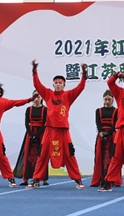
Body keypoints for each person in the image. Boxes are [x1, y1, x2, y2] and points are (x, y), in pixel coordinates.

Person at [29, 60, 88, 189]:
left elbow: (80, 88)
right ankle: (36, 180)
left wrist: (84, 74)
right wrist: (34, 70)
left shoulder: (68, 95)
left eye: (60, 83)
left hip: (63, 131)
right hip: (49, 130)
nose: (58, 84)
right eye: (56, 83)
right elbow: (37, 84)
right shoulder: (48, 94)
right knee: (42, 154)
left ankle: (78, 180)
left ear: (64, 84)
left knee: (70, 155)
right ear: (53, 84)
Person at [14, 90, 48, 186]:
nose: (36, 97)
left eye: (38, 95)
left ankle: (43, 178)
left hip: (41, 134)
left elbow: (46, 123)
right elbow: (26, 123)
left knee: (42, 155)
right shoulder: (28, 109)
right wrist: (31, 134)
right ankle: (26, 179)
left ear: (42, 98)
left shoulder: (45, 109)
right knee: (28, 155)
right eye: (35, 95)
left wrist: (37, 135)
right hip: (30, 133)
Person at [91, 90, 118, 188]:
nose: (107, 101)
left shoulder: (116, 111)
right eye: (106, 99)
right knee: (99, 157)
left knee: (112, 157)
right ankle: (100, 179)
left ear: (112, 99)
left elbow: (116, 124)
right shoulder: (98, 111)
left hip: (112, 136)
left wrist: (107, 133)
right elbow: (98, 123)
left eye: (109, 99)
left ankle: (112, 179)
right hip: (101, 136)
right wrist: (101, 132)